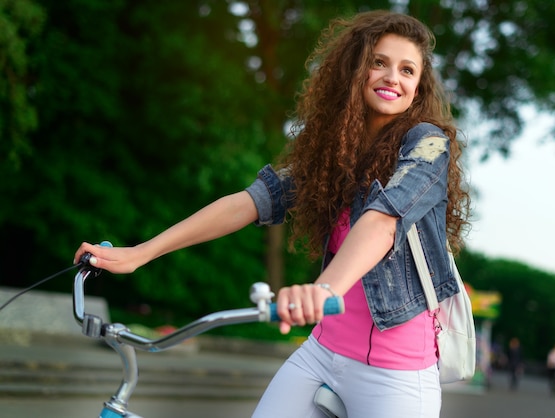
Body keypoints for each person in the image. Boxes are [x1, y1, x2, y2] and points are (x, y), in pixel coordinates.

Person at [74, 10, 470, 418]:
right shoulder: (333, 153)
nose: (392, 77)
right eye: (379, 62)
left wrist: (323, 290)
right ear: (356, 69)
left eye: (407, 70)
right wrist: (141, 253)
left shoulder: (427, 145)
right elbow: (249, 202)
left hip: (396, 374)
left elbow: (383, 220)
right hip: (323, 352)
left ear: (418, 86)